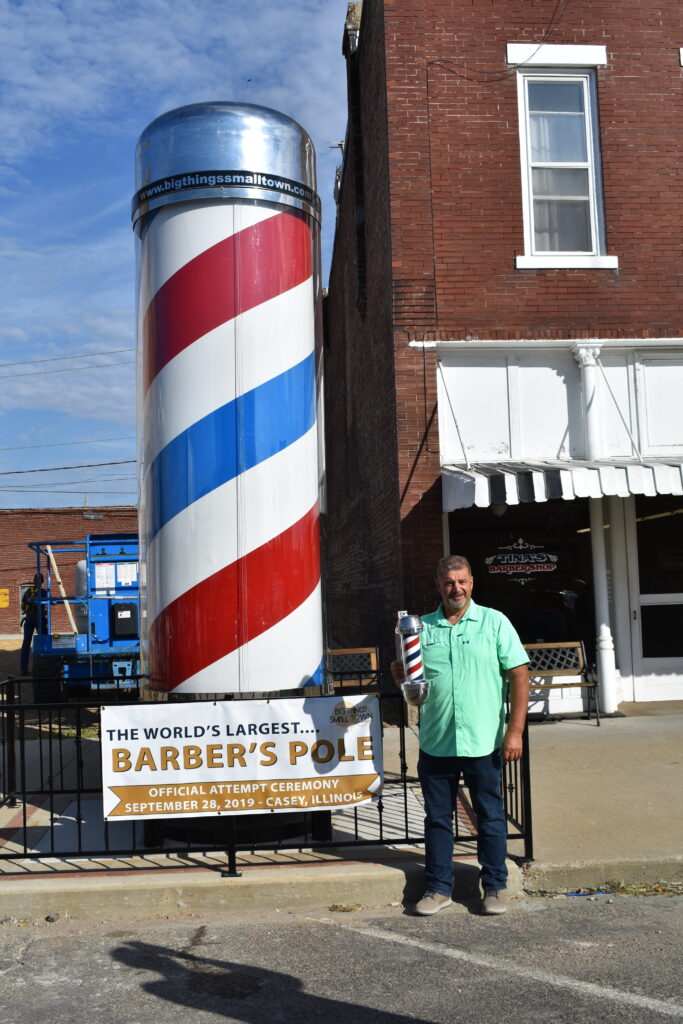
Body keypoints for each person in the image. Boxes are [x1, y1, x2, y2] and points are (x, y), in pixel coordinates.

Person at [392, 555, 529, 917]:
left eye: (463, 581)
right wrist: (401, 675)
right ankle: (438, 888)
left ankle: (495, 886)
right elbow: (413, 682)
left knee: (490, 814)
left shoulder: (494, 622)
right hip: (438, 740)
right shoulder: (421, 628)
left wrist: (514, 732)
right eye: (449, 582)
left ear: (472, 583)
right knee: (438, 818)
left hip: (484, 739)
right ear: (438, 586)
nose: (457, 588)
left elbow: (519, 676)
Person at [20, 573, 48, 675]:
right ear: (42, 582)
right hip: (39, 619)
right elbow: (47, 603)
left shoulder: (28, 591)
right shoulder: (44, 592)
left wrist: (29, 605)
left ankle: (24, 669)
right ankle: (44, 667)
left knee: (26, 644)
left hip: (29, 619)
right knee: (44, 642)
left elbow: (23, 607)